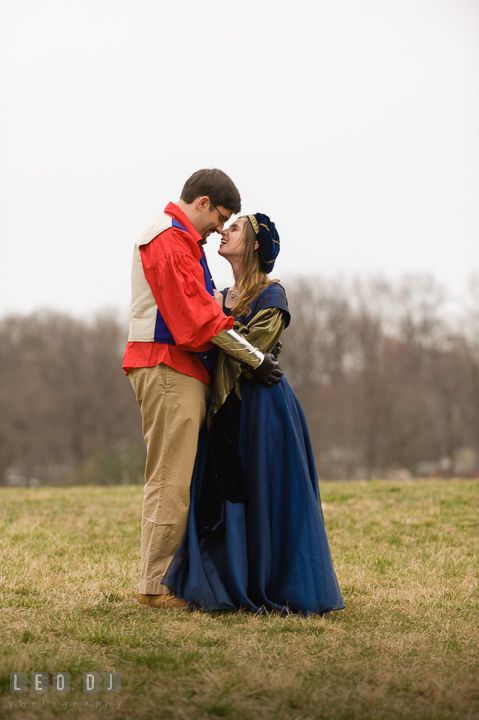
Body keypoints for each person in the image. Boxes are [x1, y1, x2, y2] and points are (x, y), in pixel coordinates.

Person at [163, 213, 345, 616]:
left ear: (256, 244)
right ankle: (226, 582)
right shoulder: (216, 295)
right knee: (220, 489)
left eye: (235, 228)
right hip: (221, 408)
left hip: (263, 409)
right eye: (224, 227)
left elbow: (251, 351)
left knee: (262, 491)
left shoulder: (272, 296)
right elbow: (202, 334)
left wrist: (213, 331)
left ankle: (270, 580)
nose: (223, 232)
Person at [123, 170, 283, 610]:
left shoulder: (179, 241)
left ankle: (168, 579)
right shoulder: (169, 241)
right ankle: (155, 586)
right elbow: (199, 323)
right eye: (222, 217)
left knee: (175, 476)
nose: (219, 228)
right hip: (169, 368)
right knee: (170, 478)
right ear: (204, 202)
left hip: (175, 369)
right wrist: (254, 357)